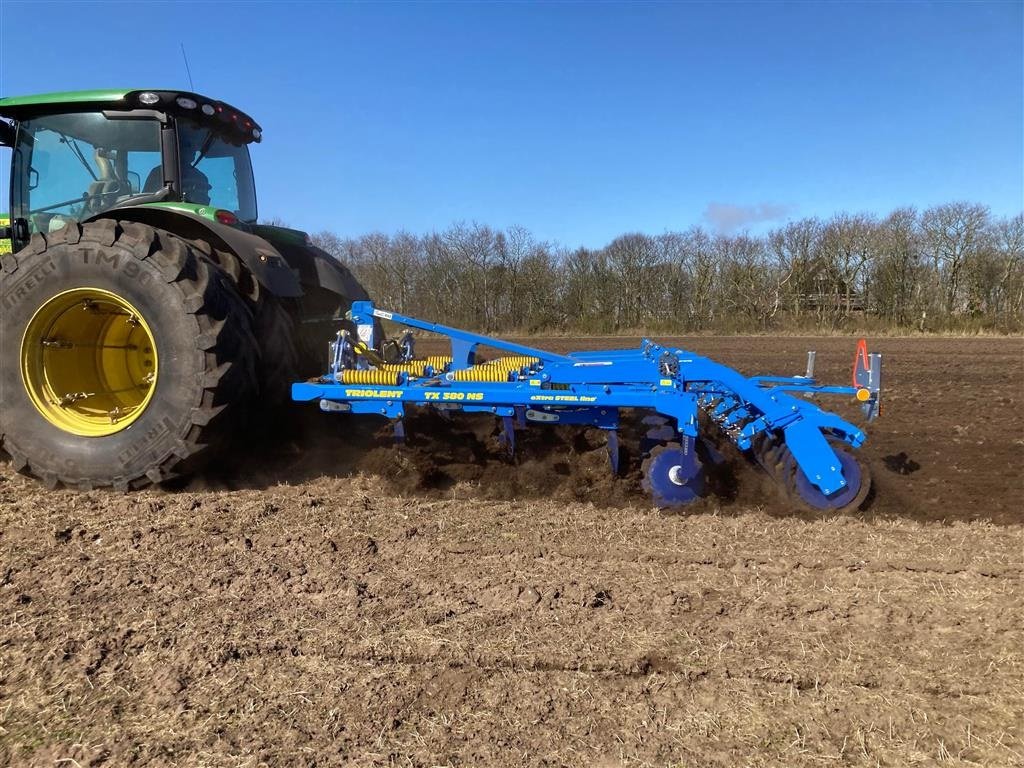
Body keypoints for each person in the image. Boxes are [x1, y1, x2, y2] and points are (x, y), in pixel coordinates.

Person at [143, 128, 211, 204]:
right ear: (179, 148)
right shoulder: (158, 173)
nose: (194, 150)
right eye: (189, 145)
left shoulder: (200, 177)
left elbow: (203, 204)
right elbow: (147, 201)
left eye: (195, 147)